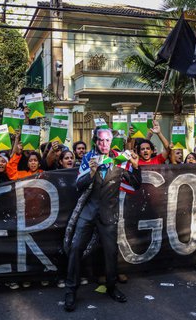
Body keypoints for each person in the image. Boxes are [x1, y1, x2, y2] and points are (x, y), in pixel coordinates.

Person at [64, 127, 141, 312]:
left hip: (109, 215)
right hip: (88, 213)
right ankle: (71, 290)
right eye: (101, 140)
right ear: (95, 141)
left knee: (111, 252)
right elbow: (79, 186)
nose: (104, 144)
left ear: (111, 141)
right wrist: (91, 172)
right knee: (75, 248)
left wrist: (137, 167)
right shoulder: (88, 158)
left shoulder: (119, 159)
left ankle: (111, 287)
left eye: (107, 140)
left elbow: (135, 185)